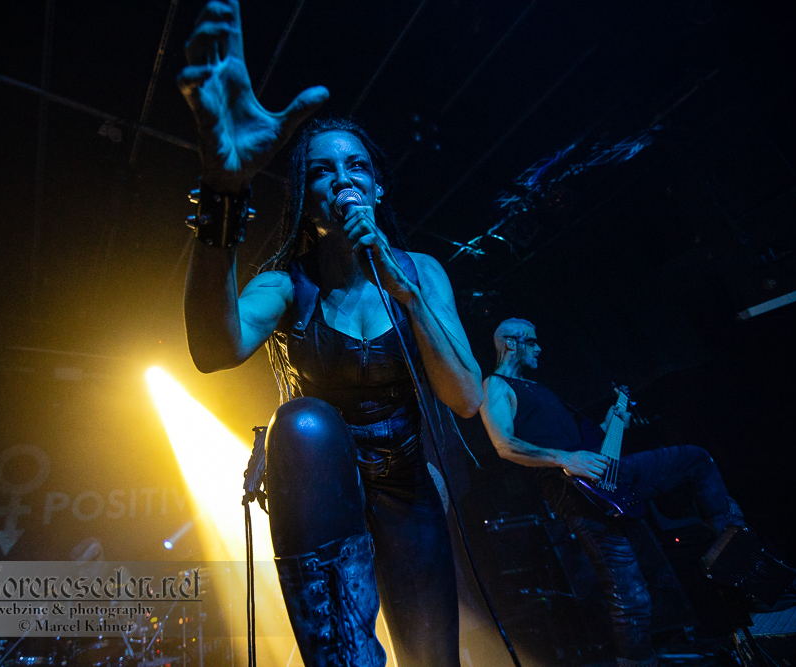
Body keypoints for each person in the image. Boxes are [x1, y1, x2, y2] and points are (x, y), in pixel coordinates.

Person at [177, 2, 483, 666]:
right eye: (321, 170)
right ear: (304, 197)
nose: (342, 180)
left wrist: (404, 291)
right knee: (305, 423)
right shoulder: (288, 285)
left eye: (357, 167)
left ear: (376, 188)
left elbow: (465, 397)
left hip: (408, 486)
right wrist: (223, 196)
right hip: (325, 490)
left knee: (434, 658)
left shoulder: (420, 271)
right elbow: (212, 349)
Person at [479, 318, 747, 667]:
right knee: (631, 595)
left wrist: (613, 419)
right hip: (574, 494)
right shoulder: (495, 385)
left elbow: (592, 444)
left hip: (608, 476)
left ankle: (736, 555)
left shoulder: (539, 388)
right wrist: (564, 458)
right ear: (511, 343)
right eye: (533, 341)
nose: (540, 348)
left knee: (695, 459)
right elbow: (503, 444)